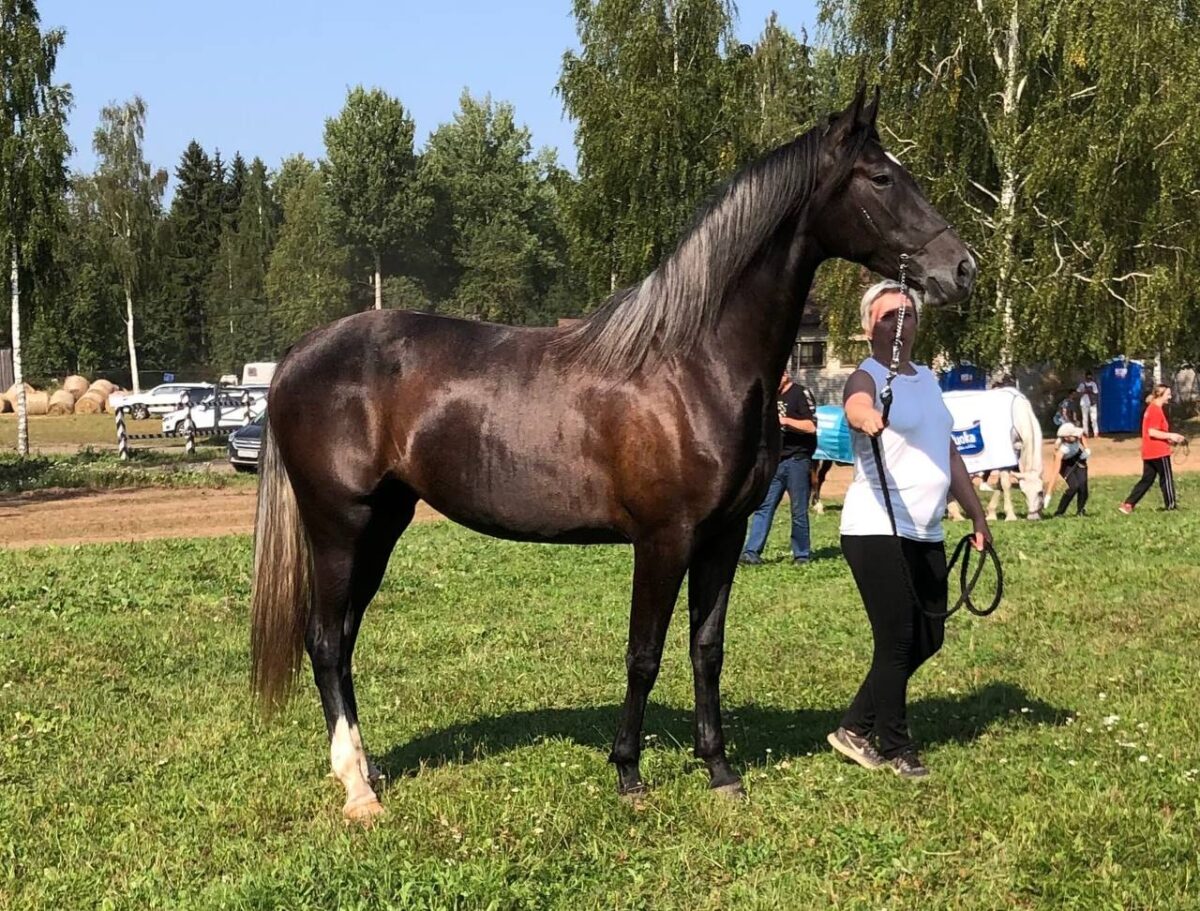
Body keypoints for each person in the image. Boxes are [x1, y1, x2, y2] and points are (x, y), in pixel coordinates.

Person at [827, 280, 991, 780]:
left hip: (927, 530)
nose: (899, 323)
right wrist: (865, 417)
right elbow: (855, 403)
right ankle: (897, 745)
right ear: (867, 328)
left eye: (907, 314)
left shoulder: (927, 380)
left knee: (929, 636)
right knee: (897, 638)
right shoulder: (868, 375)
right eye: (887, 316)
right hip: (876, 527)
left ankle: (853, 727)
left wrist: (977, 513)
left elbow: (948, 450)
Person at [739, 371, 818, 565]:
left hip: (797, 460)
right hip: (776, 461)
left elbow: (811, 426)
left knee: (798, 510)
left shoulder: (800, 393)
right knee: (764, 507)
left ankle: (801, 555)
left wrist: (785, 421)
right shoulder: (771, 396)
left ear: (786, 375)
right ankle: (751, 552)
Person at [1119, 384, 1185, 513]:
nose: (1170, 397)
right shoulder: (1155, 410)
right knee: (1166, 479)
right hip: (1159, 452)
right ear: (1160, 395)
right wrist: (1171, 435)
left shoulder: (1151, 409)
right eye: (1168, 394)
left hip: (1149, 452)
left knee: (1147, 479)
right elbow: (1152, 432)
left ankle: (1128, 504)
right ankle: (1171, 506)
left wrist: (1170, 439)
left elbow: (1156, 431)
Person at [1047, 422, 1090, 517]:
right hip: (1065, 464)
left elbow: (1081, 436)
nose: (1076, 435)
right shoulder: (1061, 449)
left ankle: (1081, 510)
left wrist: (1087, 449)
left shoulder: (1075, 436)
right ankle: (1060, 512)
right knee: (1074, 486)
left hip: (1078, 458)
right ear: (1066, 437)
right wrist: (1048, 494)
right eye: (1073, 435)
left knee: (1083, 485)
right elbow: (1055, 472)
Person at [1077, 372, 1100, 438]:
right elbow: (1078, 393)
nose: (1089, 379)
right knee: (1085, 418)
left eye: (1090, 378)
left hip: (1092, 403)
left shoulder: (1093, 384)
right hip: (1084, 403)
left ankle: (1096, 432)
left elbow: (1096, 392)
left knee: (1094, 418)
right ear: (1085, 377)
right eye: (1088, 377)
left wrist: (1090, 391)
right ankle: (1086, 432)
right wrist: (1084, 392)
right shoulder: (1082, 384)